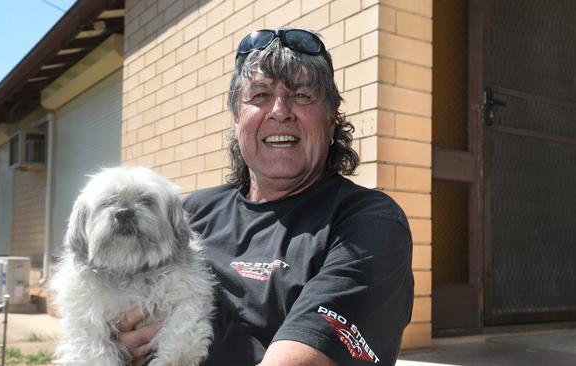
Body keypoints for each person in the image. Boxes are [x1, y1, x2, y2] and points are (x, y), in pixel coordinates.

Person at [117, 28, 414, 366]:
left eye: (302, 95)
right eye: (259, 95)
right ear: (236, 119)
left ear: (332, 119)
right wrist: (119, 341)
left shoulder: (368, 223)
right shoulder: (191, 215)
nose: (280, 111)